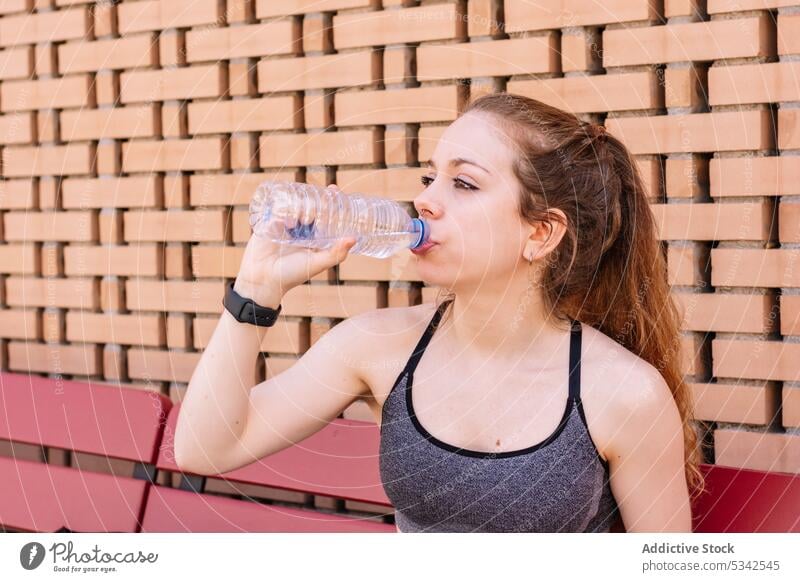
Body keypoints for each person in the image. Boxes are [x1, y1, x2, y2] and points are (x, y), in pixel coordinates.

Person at [174, 91, 705, 533]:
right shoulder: (377, 347)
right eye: (429, 178)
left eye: (464, 182)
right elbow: (205, 448)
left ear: (540, 233)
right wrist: (255, 291)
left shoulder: (622, 392)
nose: (426, 200)